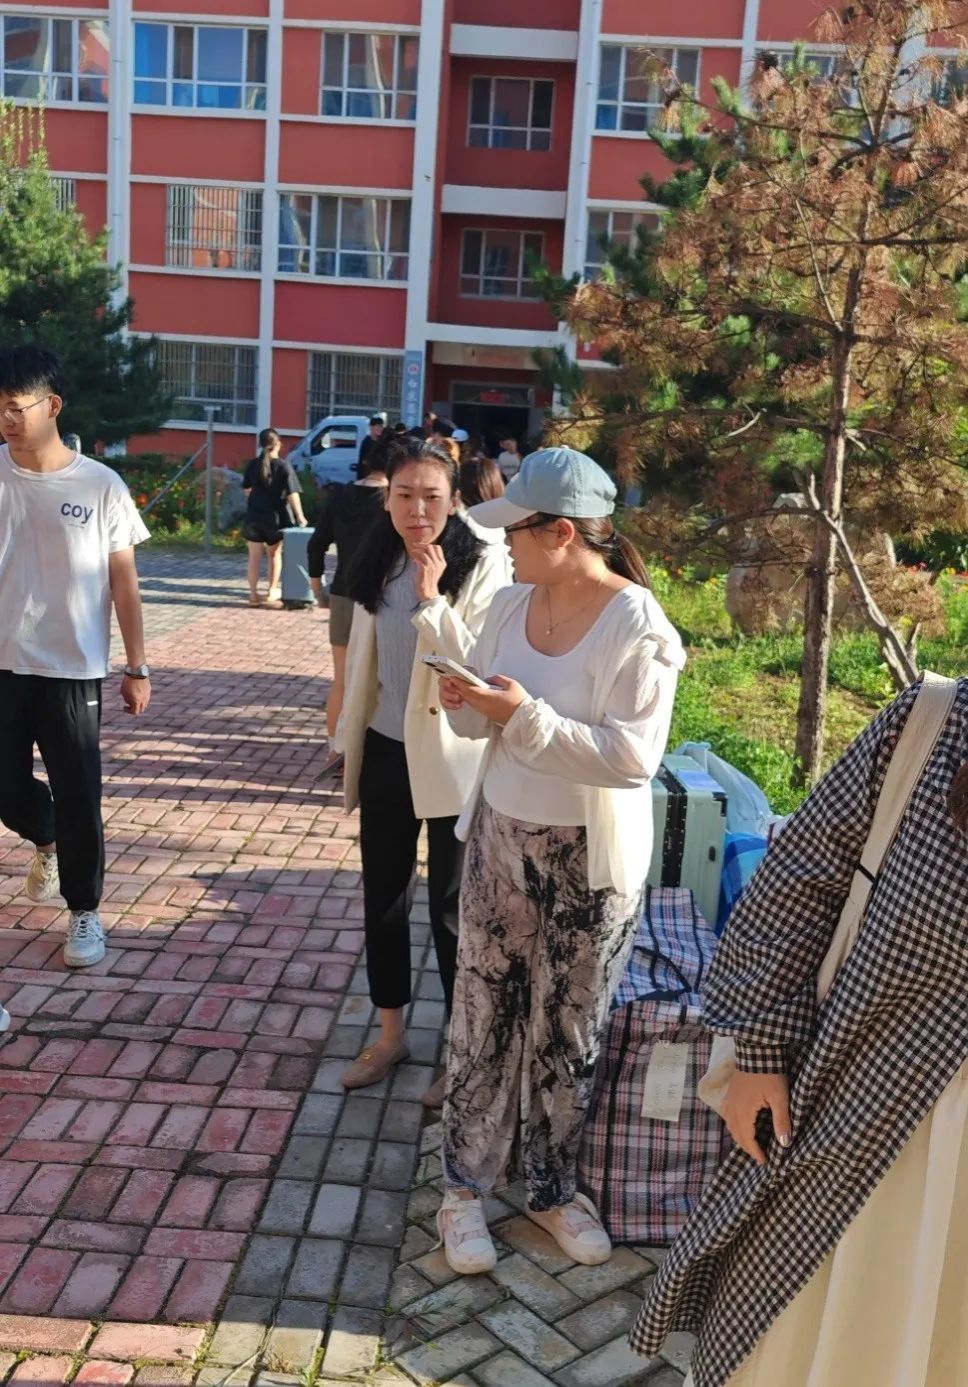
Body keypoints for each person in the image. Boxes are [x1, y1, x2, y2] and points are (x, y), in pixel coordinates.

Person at [630, 677, 968, 1387]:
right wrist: (758, 1054)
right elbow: (795, 884)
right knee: (823, 1340)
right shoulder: (936, 726)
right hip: (863, 1120)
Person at [432, 447, 685, 1274]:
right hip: (500, 837)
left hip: (591, 860)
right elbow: (482, 724)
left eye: (516, 529)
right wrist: (466, 704)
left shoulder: (638, 624)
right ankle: (462, 1188)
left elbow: (632, 758)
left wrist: (522, 714)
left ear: (562, 532)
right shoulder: (510, 603)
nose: (502, 542)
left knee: (569, 1028)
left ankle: (549, 1186)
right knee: (481, 1013)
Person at [333, 437, 512, 1105]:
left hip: (452, 756)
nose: (416, 511)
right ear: (387, 498)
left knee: (451, 907)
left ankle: (458, 1048)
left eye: (431, 497)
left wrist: (433, 597)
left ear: (455, 500)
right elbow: (362, 652)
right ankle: (390, 1035)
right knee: (383, 897)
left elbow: (479, 664)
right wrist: (343, 726)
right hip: (385, 748)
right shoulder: (377, 553)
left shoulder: (483, 561)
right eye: (404, 495)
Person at [0, 344, 151, 971]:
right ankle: (47, 835)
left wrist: (136, 666)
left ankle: (84, 909)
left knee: (79, 792)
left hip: (72, 667)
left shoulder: (100, 485)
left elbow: (124, 582)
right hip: (3, 663)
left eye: (16, 406)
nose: (6, 419)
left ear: (53, 405)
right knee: (5, 786)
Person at [307, 435, 390, 744]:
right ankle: (366, 750)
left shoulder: (340, 495)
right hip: (382, 599)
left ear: (365, 460)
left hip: (343, 592)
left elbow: (316, 544)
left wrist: (318, 589)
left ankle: (335, 749)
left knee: (341, 679)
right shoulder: (393, 501)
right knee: (381, 681)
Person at [242, 429, 308, 607]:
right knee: (274, 554)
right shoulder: (283, 466)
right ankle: (271, 590)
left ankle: (253, 595)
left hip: (254, 517)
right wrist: (300, 516)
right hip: (276, 519)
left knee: (254, 557)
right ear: (278, 444)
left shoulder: (253, 465)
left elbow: (247, 489)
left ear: (260, 444)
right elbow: (292, 494)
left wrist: (255, 502)